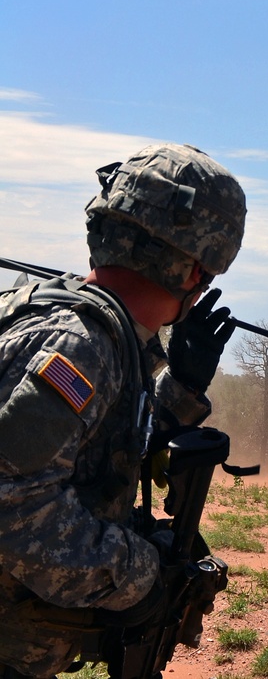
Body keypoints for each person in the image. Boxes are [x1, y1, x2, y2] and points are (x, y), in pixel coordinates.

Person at [0, 141, 247, 679]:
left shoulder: (88, 329)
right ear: (192, 273)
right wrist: (137, 576)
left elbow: (95, 448)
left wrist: (181, 385)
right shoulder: (80, 346)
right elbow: (13, 508)